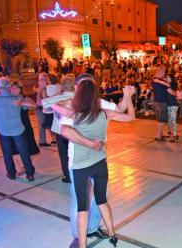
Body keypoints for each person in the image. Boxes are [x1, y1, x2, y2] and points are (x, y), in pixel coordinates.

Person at [51, 73, 136, 248]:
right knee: (86, 201)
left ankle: (91, 229)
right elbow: (65, 129)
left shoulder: (83, 108)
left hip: (87, 162)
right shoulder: (74, 107)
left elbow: (120, 109)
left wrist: (127, 97)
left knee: (93, 201)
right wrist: (92, 144)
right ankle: (79, 235)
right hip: (87, 160)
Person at [0, 77, 36, 181]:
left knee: (7, 153)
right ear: (9, 86)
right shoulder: (17, 99)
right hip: (18, 129)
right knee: (24, 152)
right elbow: (30, 106)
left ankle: (11, 173)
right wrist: (22, 102)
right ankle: (30, 174)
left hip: (3, 131)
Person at [10, 81, 40, 157]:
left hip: (25, 125)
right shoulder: (9, 99)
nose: (13, 90)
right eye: (12, 88)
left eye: (15, 88)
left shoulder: (24, 98)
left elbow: (35, 106)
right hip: (14, 126)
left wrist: (22, 103)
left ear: (20, 89)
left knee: (28, 149)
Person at [152, 65, 170, 141]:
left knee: (160, 119)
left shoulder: (156, 80)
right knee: (162, 120)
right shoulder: (158, 80)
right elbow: (169, 85)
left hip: (157, 102)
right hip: (161, 102)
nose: (164, 73)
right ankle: (158, 135)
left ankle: (161, 134)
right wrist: (162, 80)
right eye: (164, 71)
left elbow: (168, 83)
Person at [166, 72, 179, 142]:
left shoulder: (172, 85)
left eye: (168, 77)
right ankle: (169, 133)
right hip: (169, 105)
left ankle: (175, 136)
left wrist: (175, 95)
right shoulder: (167, 85)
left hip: (173, 105)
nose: (166, 78)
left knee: (173, 120)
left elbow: (173, 92)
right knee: (169, 120)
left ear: (171, 79)